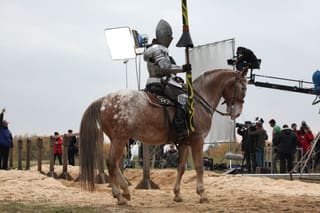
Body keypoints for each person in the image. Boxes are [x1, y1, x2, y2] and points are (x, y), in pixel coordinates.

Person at [143, 19, 191, 141]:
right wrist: (182, 68)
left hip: (162, 81)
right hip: (159, 82)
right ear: (165, 35)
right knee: (184, 99)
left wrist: (177, 77)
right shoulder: (157, 49)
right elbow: (165, 67)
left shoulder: (159, 50)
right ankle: (180, 130)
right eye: (170, 36)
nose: (170, 39)